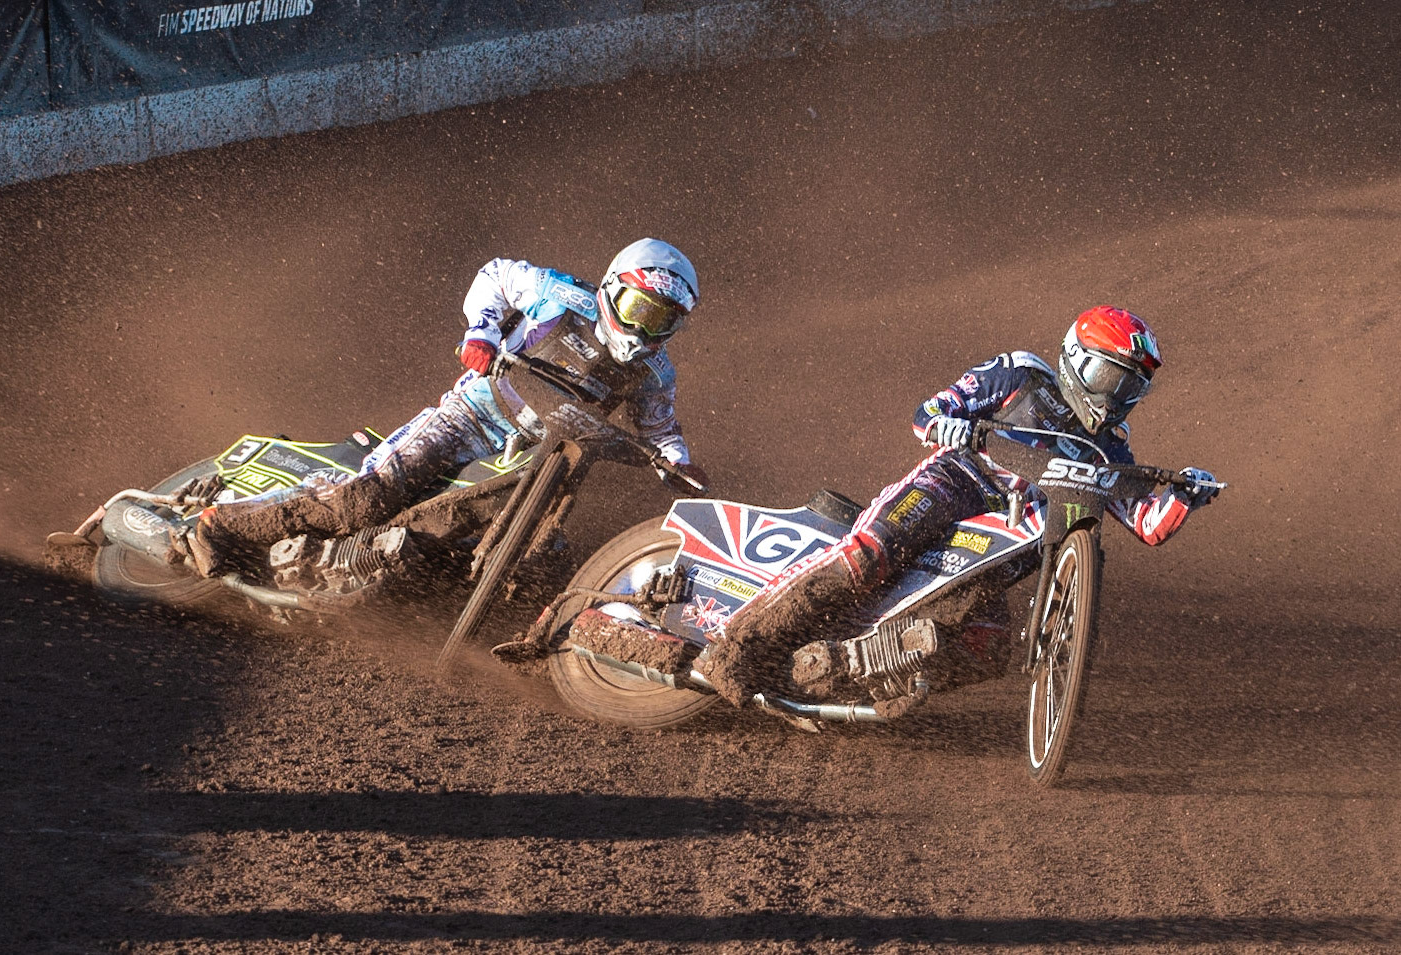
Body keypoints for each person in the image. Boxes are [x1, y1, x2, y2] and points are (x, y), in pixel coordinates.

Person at [696, 305, 1220, 706]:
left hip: (1006, 543)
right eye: (1113, 377)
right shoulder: (1021, 375)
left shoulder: (1111, 446)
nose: (1120, 395)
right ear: (1079, 361)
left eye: (1132, 385)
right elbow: (931, 412)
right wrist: (948, 424)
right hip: (958, 482)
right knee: (867, 556)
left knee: (984, 649)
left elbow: (1147, 524)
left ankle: (846, 675)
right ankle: (736, 648)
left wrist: (1185, 495)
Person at [186, 238, 710, 576]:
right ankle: (221, 526)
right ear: (613, 292)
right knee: (363, 503)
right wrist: (479, 333)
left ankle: (378, 564)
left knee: (531, 555)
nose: (645, 331)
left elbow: (660, 430)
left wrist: (678, 467)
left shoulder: (654, 374)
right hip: (470, 416)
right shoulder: (559, 294)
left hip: (531, 457)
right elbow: (496, 273)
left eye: (664, 321)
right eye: (641, 310)